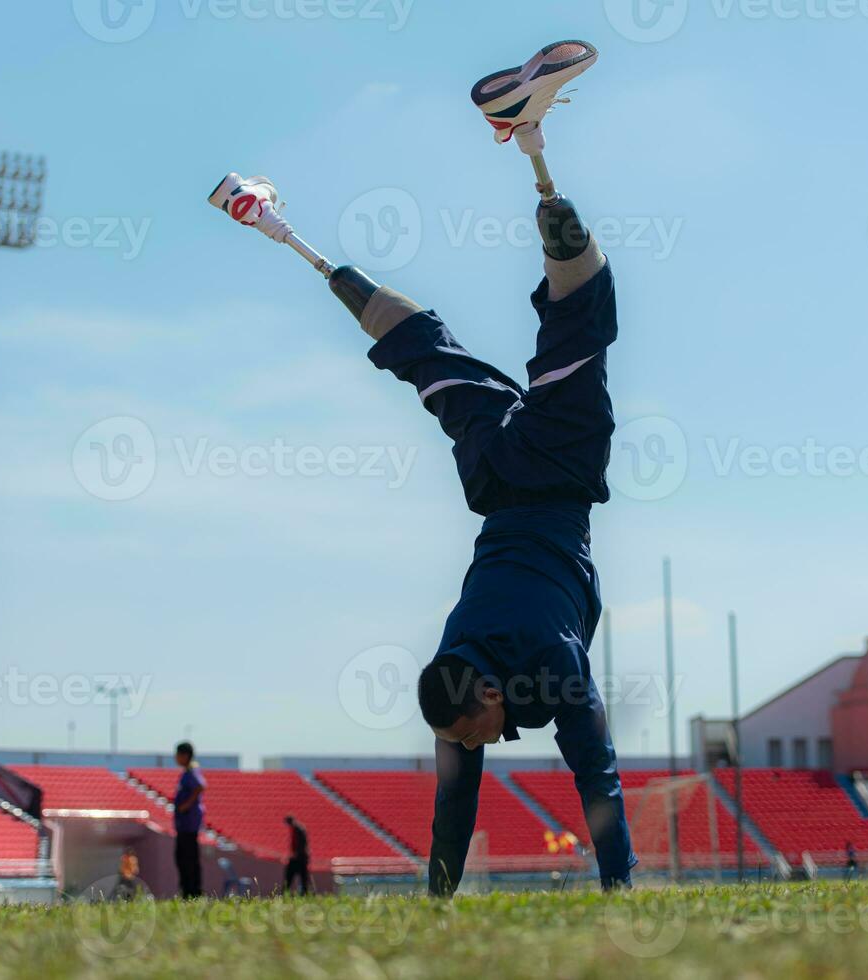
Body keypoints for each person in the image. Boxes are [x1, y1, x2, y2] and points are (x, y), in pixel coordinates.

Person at [209, 39, 634, 897]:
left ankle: (535, 152)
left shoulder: (546, 663)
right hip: (494, 476)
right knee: (427, 358)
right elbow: (454, 807)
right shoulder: (455, 680)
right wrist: (437, 900)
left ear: (481, 691)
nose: (473, 745)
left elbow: (600, 775)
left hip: (549, 475)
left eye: (472, 730)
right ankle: (287, 233)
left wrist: (619, 888)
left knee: (579, 325)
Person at [172, 741, 207, 899]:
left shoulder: (192, 771)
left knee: (188, 858)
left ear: (185, 755)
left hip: (189, 823)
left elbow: (200, 786)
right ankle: (187, 890)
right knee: (181, 857)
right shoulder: (187, 771)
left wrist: (186, 805)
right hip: (184, 824)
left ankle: (192, 891)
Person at [282, 815, 310, 895]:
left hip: (300, 858)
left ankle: (303, 893)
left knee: (295, 876)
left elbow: (301, 845)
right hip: (299, 857)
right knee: (302, 877)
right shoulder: (297, 829)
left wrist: (295, 854)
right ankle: (303, 893)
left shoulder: (299, 830)